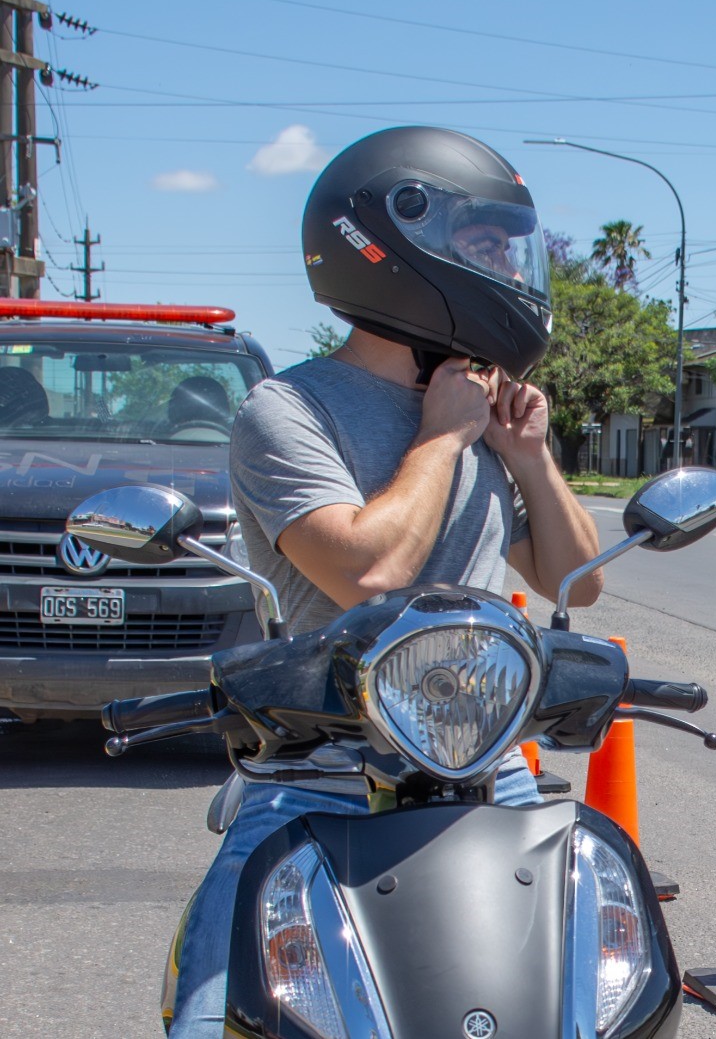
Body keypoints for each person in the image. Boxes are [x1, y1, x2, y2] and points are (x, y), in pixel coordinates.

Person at [167, 126, 604, 1038]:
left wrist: (528, 458)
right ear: (399, 243)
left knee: (593, 993)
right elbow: (367, 569)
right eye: (483, 243)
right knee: (216, 1009)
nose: (505, 266)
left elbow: (575, 578)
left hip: (490, 773)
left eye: (505, 245)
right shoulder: (287, 410)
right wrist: (443, 437)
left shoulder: (485, 411)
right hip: (319, 776)